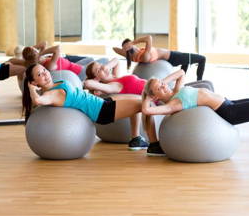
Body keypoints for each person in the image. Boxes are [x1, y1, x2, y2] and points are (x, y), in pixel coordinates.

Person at [141, 69, 249, 161]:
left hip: (228, 103)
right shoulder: (172, 105)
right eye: (160, 89)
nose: (164, 86)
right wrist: (147, 96)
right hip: (228, 112)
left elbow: (181, 72)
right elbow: (147, 110)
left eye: (163, 84)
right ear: (155, 97)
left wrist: (160, 80)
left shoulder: (176, 92)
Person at [22, 63, 163, 152]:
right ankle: (154, 145)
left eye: (44, 70)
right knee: (145, 104)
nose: (45, 74)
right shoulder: (53, 93)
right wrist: (31, 88)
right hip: (101, 111)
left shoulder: (55, 84)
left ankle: (136, 139)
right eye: (39, 74)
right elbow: (39, 100)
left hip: (100, 102)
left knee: (137, 98)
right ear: (34, 81)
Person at [113, 35, 206, 81]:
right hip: (173, 57)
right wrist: (132, 42)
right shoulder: (144, 56)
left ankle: (180, 81)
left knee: (186, 62)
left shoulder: (132, 56)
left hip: (172, 54)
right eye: (132, 45)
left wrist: (125, 48)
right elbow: (149, 38)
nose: (135, 45)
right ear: (132, 47)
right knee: (202, 59)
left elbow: (115, 49)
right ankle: (199, 81)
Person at [12, 41, 106, 81]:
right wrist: (39, 54)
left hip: (75, 65)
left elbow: (44, 43)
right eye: (36, 51)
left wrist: (32, 50)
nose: (37, 50)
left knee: (91, 59)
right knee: (105, 60)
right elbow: (57, 48)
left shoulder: (41, 61)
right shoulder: (49, 65)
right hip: (79, 72)